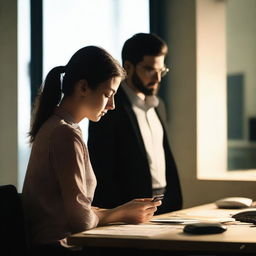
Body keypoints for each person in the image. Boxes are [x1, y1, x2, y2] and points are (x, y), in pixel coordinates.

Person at [21, 46, 161, 256]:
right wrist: (120, 212)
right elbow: (81, 221)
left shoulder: (57, 127)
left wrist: (122, 210)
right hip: (59, 248)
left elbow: (76, 210)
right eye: (108, 94)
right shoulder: (65, 134)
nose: (112, 105)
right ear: (84, 87)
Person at [88, 33, 183, 215]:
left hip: (165, 205)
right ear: (128, 67)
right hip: (129, 209)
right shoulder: (108, 108)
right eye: (149, 70)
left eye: (161, 71)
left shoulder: (158, 105)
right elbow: (102, 170)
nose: (158, 79)